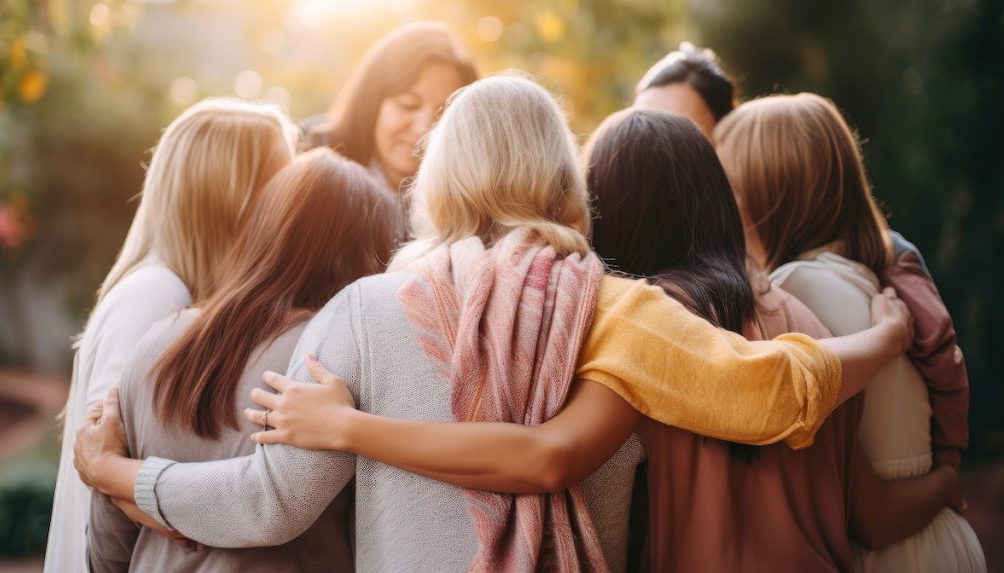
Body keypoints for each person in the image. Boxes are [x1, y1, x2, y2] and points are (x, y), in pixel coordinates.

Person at [74, 76, 910, 572]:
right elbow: (777, 392)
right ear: (560, 171)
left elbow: (268, 504)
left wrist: (123, 477)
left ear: (441, 175)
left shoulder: (365, 308)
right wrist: (886, 336)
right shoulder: (616, 309)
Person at [635, 44, 971, 475]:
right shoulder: (633, 261)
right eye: (642, 126)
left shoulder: (834, 271)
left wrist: (946, 463)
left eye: (685, 137)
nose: (660, 153)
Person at [86, 148, 398, 572]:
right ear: (369, 250)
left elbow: (108, 540)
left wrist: (113, 474)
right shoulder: (329, 363)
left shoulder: (157, 342)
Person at [714, 92, 986, 572]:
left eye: (726, 187)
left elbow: (871, 518)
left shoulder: (795, 291)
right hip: (934, 543)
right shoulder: (867, 273)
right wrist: (945, 478)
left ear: (766, 194)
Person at [45, 98, 297, 573]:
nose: (291, 198)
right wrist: (194, 515)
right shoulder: (157, 294)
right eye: (279, 181)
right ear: (225, 192)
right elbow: (100, 449)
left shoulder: (176, 290)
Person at [301, 21, 478, 196]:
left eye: (443, 114)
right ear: (372, 99)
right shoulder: (306, 156)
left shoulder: (472, 196)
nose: (423, 128)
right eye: (408, 105)